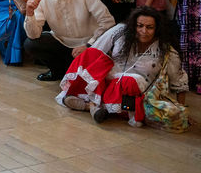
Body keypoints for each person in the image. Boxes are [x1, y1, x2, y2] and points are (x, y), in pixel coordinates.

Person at [57, 7, 188, 128]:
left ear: (157, 29)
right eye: (140, 26)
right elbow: (97, 49)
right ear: (133, 25)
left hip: (135, 93)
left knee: (130, 81)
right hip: (109, 82)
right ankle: (92, 105)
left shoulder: (166, 51)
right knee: (90, 54)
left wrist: (182, 112)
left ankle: (90, 105)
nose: (143, 31)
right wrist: (86, 52)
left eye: (149, 27)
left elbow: (179, 81)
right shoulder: (120, 31)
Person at [22, 0, 116, 82]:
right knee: (30, 43)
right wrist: (30, 13)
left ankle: (73, 69)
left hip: (89, 43)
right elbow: (33, 35)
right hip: (62, 43)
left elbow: (108, 21)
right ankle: (58, 70)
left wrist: (89, 45)